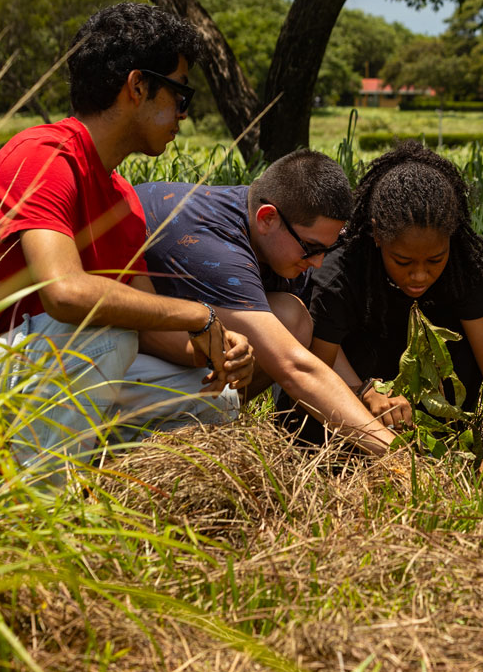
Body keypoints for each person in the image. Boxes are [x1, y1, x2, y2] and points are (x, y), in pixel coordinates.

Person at [0, 2, 256, 481]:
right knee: (104, 335)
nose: (183, 114)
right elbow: (66, 294)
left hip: (26, 376)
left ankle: (74, 467)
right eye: (180, 93)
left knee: (215, 398)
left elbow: (150, 327)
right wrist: (198, 314)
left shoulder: (123, 200)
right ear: (138, 86)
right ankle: (35, 500)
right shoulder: (43, 155)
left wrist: (217, 347)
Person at [134, 151, 397, 452]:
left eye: (328, 248)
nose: (318, 263)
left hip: (159, 335)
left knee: (291, 317)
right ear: (267, 218)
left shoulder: (271, 229)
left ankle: (207, 422)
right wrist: (394, 454)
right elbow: (294, 367)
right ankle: (183, 438)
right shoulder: (219, 252)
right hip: (106, 352)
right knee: (284, 327)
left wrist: (363, 390)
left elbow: (306, 341)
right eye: (312, 248)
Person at [298, 141, 483, 484]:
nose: (419, 276)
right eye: (403, 262)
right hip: (352, 396)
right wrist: (366, 392)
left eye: (435, 260)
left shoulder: (463, 270)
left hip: (428, 410)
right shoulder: (339, 276)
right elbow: (316, 375)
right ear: (377, 235)